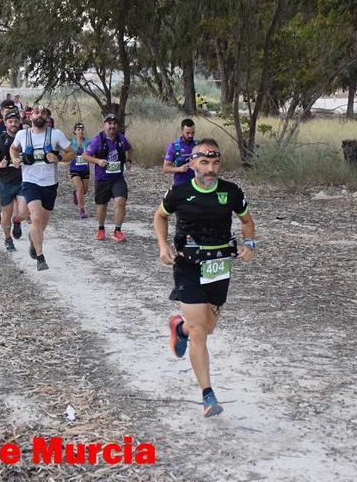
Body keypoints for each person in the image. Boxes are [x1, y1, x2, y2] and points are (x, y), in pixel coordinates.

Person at [153, 138, 256, 418]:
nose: (210, 169)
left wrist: (249, 245)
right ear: (193, 163)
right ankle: (208, 396)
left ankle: (179, 329)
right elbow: (159, 217)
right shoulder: (180, 192)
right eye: (204, 163)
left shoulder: (231, 192)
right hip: (188, 265)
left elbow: (247, 222)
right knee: (201, 333)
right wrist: (163, 246)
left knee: (207, 328)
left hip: (220, 267)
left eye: (215, 163)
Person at [9, 105, 75, 271]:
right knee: (36, 217)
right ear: (30, 117)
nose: (40, 115)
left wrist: (58, 157)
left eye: (43, 113)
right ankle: (40, 257)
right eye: (36, 112)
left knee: (41, 225)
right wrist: (15, 159)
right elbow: (13, 148)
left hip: (50, 184)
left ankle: (34, 241)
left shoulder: (56, 134)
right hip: (30, 182)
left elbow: (71, 153)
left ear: (48, 118)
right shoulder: (22, 134)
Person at [81, 113, 132, 242]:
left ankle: (117, 231)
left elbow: (129, 149)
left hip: (118, 178)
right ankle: (101, 229)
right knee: (101, 206)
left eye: (114, 124)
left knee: (121, 202)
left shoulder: (121, 139)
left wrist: (128, 160)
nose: (112, 126)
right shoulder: (98, 139)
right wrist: (98, 161)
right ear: (104, 125)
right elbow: (85, 156)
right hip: (102, 179)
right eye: (109, 124)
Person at [0, 110, 24, 252]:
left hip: (23, 181)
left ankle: (18, 221)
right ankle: (8, 239)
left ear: (19, 123)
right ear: (5, 123)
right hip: (6, 182)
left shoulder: (25, 138)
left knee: (25, 212)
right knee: (6, 214)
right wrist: (0, 165)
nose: (13, 124)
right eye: (10, 121)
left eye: (15, 121)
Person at [162, 118, 198, 185]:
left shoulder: (199, 145)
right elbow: (165, 168)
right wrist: (179, 169)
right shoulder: (174, 146)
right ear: (182, 131)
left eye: (193, 133)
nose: (190, 135)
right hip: (181, 185)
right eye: (188, 133)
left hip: (197, 184)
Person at [68, 123, 91, 218]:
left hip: (85, 168)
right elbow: (66, 153)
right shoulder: (71, 143)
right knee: (80, 188)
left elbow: (92, 153)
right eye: (78, 130)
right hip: (75, 169)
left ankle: (76, 193)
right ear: (75, 132)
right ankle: (81, 210)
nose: (80, 131)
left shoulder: (88, 142)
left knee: (84, 191)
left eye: (82, 129)